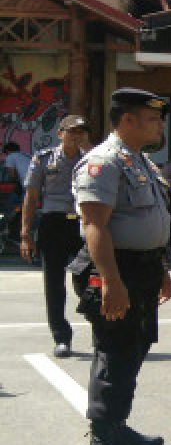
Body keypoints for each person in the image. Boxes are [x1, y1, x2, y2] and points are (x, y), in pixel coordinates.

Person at [72, 90, 171, 445]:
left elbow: (151, 222)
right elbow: (95, 225)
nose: (159, 124)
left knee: (132, 349)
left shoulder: (138, 161)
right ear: (128, 120)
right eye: (152, 118)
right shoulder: (104, 162)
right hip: (116, 270)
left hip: (141, 269)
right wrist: (111, 282)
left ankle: (116, 427)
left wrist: (160, 268)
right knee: (115, 353)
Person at [20, 115, 91, 357]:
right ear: (60, 133)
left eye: (80, 132)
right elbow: (30, 196)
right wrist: (25, 234)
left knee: (87, 279)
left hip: (82, 224)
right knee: (54, 284)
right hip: (53, 224)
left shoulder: (91, 159)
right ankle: (61, 337)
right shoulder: (43, 159)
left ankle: (101, 331)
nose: (76, 136)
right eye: (71, 132)